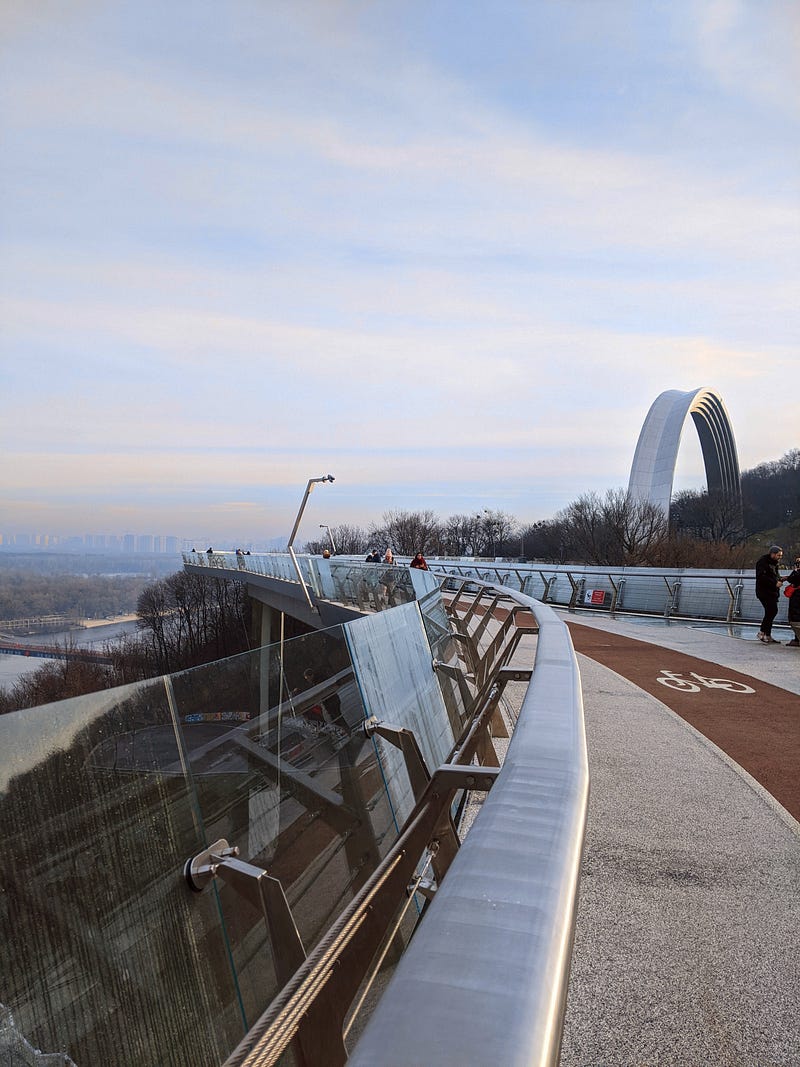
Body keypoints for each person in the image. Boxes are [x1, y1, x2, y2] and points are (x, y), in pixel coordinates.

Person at [755, 545, 784, 643]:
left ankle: (766, 633)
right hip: (765, 592)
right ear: (772, 554)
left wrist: (780, 579)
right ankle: (763, 633)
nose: (780, 557)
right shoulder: (763, 562)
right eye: (778, 555)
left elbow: (775, 575)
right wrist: (775, 583)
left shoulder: (774, 563)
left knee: (771, 612)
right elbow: (762, 577)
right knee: (772, 611)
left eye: (780, 555)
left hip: (772, 591)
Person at [783, 554, 800, 647]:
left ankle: (797, 639)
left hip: (797, 597)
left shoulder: (797, 573)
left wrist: (794, 571)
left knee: (796, 617)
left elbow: (793, 579)